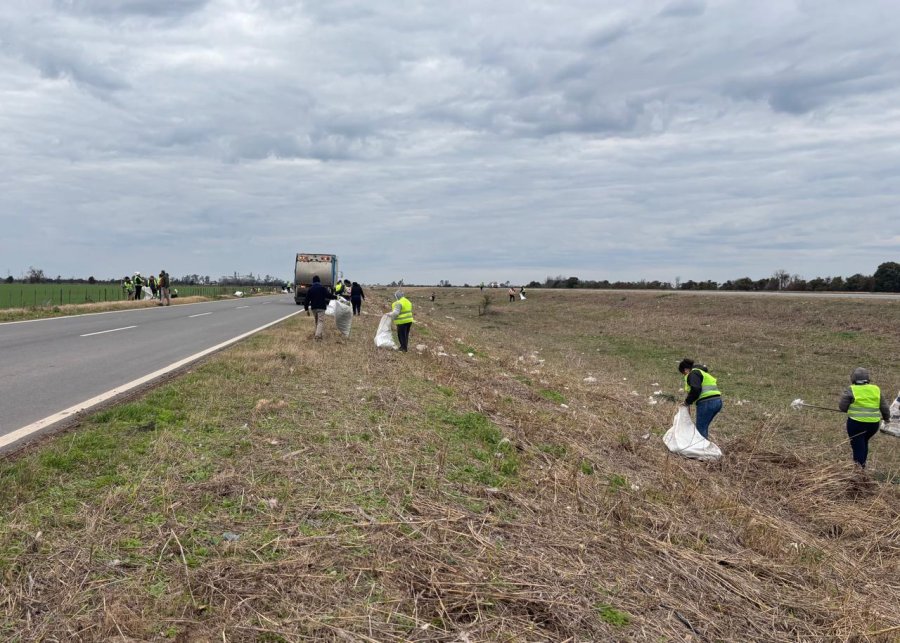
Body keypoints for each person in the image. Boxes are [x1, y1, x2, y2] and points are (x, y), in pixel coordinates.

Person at [838, 367, 891, 468]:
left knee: (858, 445)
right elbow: (884, 406)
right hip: (873, 425)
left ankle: (859, 470)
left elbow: (842, 407)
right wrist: (887, 418)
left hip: (857, 424)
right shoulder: (876, 389)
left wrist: (851, 407)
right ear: (868, 378)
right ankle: (862, 466)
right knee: (863, 442)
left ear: (853, 378)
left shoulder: (851, 389)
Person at [679, 358, 722, 440]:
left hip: (707, 403)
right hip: (717, 401)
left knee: (700, 430)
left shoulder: (693, 374)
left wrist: (687, 402)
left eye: (683, 373)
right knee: (704, 427)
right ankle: (705, 446)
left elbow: (696, 389)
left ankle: (702, 450)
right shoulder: (701, 373)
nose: (684, 375)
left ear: (686, 370)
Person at [304, 275, 334, 340]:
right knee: (320, 321)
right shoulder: (322, 288)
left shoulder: (310, 289)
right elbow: (329, 295)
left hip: (314, 308)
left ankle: (319, 335)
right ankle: (317, 336)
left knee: (317, 321)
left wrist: (306, 309)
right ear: (319, 281)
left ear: (313, 281)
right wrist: (336, 297)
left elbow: (306, 300)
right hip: (321, 307)